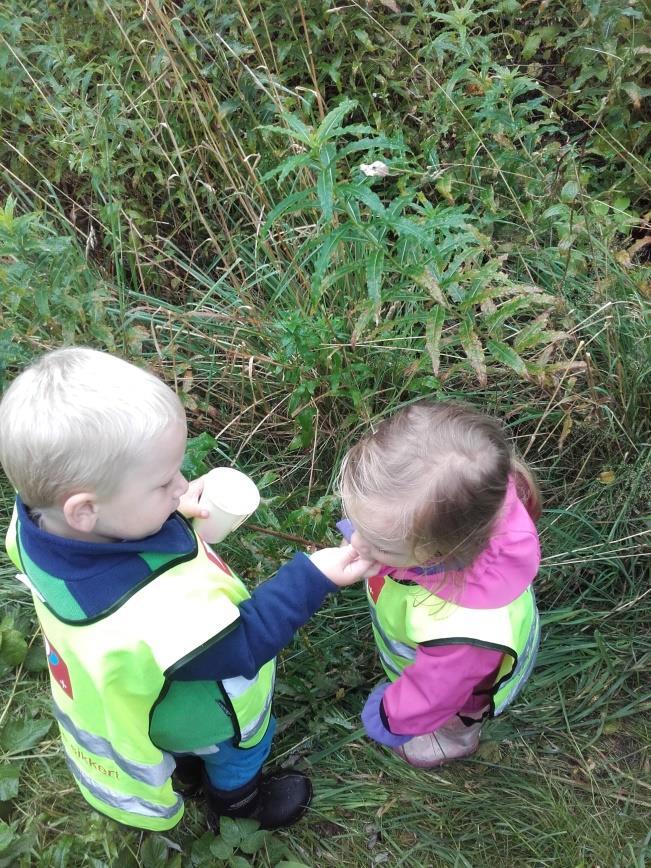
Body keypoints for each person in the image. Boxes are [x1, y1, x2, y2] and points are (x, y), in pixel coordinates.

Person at [0, 347, 376, 832]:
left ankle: (189, 771)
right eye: (162, 484)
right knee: (240, 749)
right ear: (84, 510)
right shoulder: (151, 611)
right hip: (203, 709)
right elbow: (244, 642)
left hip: (146, 694)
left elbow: (121, 527)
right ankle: (239, 807)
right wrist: (314, 574)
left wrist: (165, 511)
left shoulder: (35, 527)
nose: (181, 487)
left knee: (189, 750)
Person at [337, 399, 541, 768]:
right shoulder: (471, 507)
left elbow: (435, 694)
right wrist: (375, 540)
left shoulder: (462, 633)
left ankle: (456, 739)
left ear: (436, 554)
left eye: (379, 543)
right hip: (441, 654)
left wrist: (392, 716)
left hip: (464, 690)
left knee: (459, 712)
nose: (357, 543)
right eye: (357, 524)